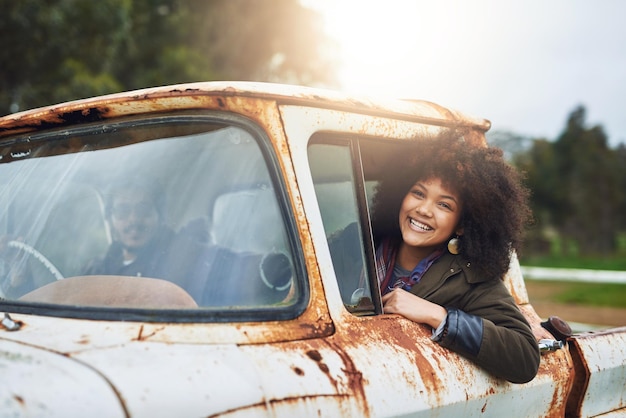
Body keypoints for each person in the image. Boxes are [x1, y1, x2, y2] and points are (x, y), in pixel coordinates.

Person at [371, 132, 540, 384]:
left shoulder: (470, 278)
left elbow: (524, 357)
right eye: (418, 193)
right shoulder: (355, 244)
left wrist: (438, 315)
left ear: (462, 225)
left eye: (444, 205)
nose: (424, 210)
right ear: (400, 194)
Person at [83, 178, 207, 291]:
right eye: (122, 211)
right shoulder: (96, 270)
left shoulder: (184, 264)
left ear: (160, 217)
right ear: (110, 219)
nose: (133, 219)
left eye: (143, 210)